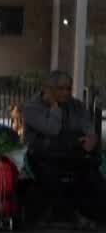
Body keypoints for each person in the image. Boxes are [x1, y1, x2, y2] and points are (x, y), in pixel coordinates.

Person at [21, 70, 105, 224]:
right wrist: (54, 106)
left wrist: (91, 139)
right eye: (61, 88)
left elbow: (88, 127)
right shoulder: (31, 108)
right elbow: (52, 129)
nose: (66, 92)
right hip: (42, 155)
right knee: (52, 177)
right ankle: (70, 215)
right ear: (49, 89)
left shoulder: (76, 106)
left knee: (92, 174)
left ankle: (97, 213)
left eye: (68, 88)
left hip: (70, 152)